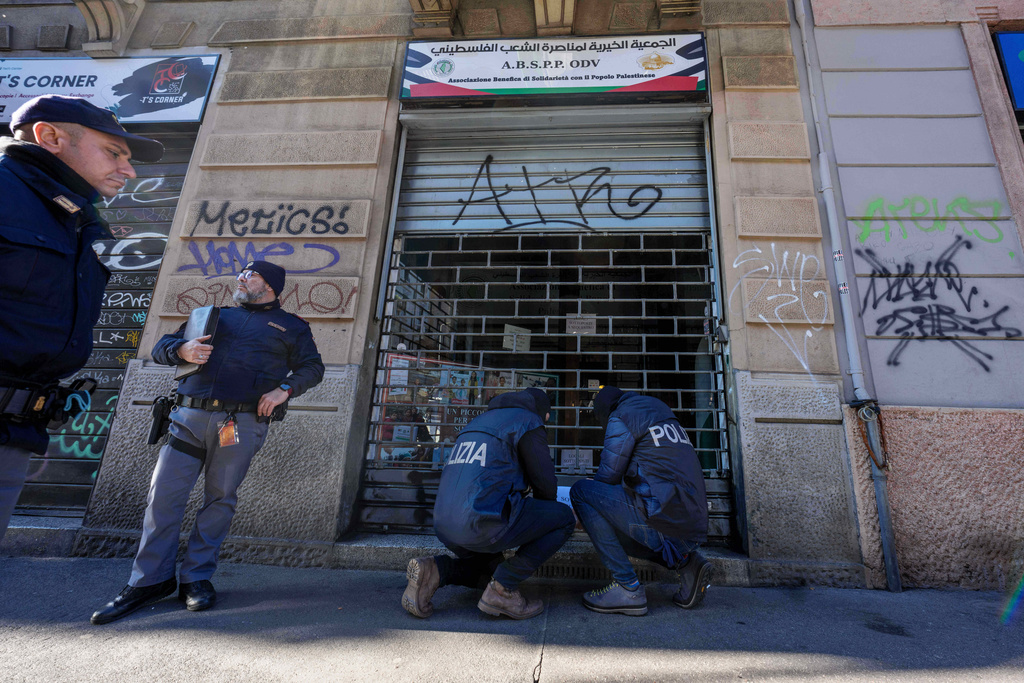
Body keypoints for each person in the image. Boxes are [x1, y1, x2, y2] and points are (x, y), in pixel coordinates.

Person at [90, 260, 325, 625]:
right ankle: (148, 581)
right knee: (163, 497)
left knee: (220, 499)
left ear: (271, 285)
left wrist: (284, 389)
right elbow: (162, 347)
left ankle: (195, 578)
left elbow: (313, 367)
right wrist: (182, 351)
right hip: (187, 419)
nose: (241, 277)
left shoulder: (292, 327)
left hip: (240, 424)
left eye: (251, 274)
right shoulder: (211, 315)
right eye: (242, 272)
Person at [0, 95, 163, 540]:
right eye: (114, 152)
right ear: (49, 137)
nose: (128, 171)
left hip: (18, 433)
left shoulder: (76, 220)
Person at [402, 387, 575, 620]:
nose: (546, 420)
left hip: (445, 525)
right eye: (547, 415)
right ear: (541, 411)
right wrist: (543, 518)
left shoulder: (478, 422)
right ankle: (503, 590)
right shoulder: (528, 420)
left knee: (488, 575)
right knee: (563, 518)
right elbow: (545, 485)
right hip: (482, 521)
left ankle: (435, 570)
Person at [570, 386, 711, 616]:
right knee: (614, 518)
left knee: (581, 492)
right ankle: (688, 563)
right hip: (690, 527)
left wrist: (585, 504)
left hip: (663, 523)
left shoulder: (622, 415)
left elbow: (608, 475)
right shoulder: (659, 410)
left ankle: (628, 588)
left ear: (605, 413)